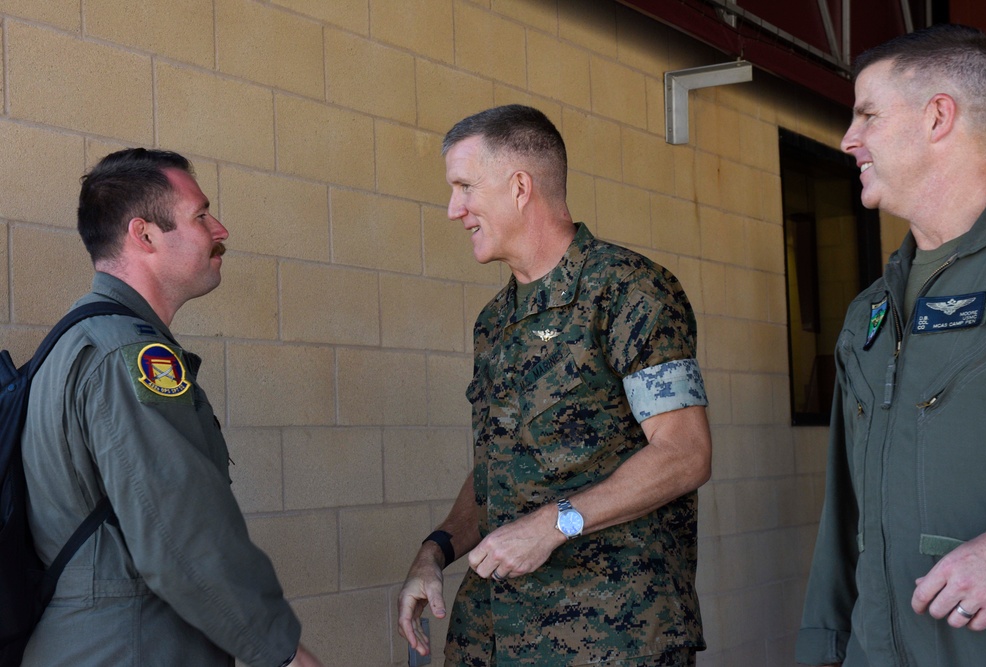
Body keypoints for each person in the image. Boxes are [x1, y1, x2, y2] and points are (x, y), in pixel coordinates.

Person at [396, 105, 713, 666]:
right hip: (493, 632)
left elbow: (685, 454)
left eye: (465, 186)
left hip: (612, 637)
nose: (454, 209)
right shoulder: (495, 321)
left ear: (520, 187)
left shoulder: (628, 291)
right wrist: (435, 551)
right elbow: (499, 464)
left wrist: (554, 524)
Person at [21, 148, 322, 667]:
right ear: (145, 235)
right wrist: (283, 654)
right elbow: (179, 538)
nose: (220, 229)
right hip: (131, 645)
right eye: (201, 215)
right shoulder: (129, 355)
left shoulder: (81, 337)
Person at [796, 24, 986, 667]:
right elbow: (842, 523)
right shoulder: (868, 316)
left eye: (868, 114)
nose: (847, 139)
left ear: (939, 116)